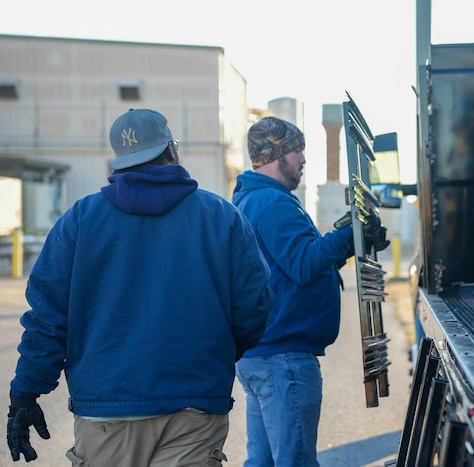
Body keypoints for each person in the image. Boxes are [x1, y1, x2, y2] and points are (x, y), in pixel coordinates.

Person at [6, 108, 274, 465]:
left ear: (118, 162)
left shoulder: (81, 220)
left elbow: (46, 316)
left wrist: (26, 393)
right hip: (194, 408)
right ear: (172, 150)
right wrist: (215, 351)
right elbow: (254, 305)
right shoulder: (221, 217)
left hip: (107, 410)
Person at [232, 116, 388, 466]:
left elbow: (290, 266)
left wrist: (343, 244)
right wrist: (350, 235)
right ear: (276, 155)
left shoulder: (252, 199)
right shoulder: (273, 203)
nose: (303, 158)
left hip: (264, 354)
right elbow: (303, 264)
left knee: (263, 461)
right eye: (296, 150)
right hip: (282, 358)